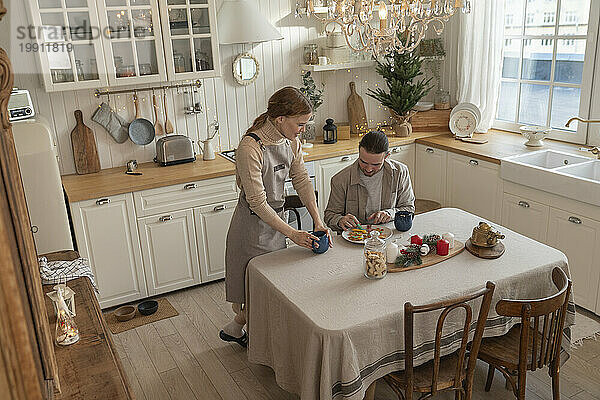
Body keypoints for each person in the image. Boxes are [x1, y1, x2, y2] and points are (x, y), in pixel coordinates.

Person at [220, 87, 332, 347]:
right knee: (257, 289)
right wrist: (292, 233)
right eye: (300, 124)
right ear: (280, 118)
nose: (302, 129)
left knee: (274, 287)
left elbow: (302, 180)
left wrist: (318, 220)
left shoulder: (291, 141)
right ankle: (250, 335)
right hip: (251, 227)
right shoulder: (250, 147)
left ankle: (247, 333)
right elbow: (258, 203)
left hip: (276, 222)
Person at [324, 130, 415, 232]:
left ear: (386, 156)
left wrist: (390, 213)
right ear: (359, 153)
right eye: (363, 162)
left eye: (375, 164)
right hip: (354, 238)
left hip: (387, 235)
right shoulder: (340, 180)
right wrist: (340, 220)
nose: (368, 169)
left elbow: (408, 208)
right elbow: (329, 216)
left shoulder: (400, 172)